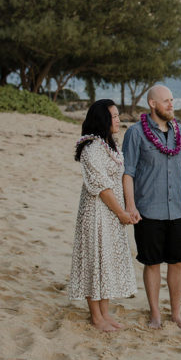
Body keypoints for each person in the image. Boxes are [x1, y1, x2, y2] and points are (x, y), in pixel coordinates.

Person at [122, 85, 181, 330]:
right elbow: (128, 172)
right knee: (151, 263)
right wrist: (130, 206)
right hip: (147, 210)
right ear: (152, 104)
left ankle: (176, 314)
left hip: (176, 209)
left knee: (177, 262)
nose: (171, 105)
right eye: (165, 101)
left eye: (172, 100)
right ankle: (155, 314)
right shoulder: (135, 134)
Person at [70, 99, 139, 332]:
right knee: (94, 260)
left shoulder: (111, 146)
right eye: (114, 116)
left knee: (107, 261)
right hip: (97, 212)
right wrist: (120, 212)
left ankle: (105, 313)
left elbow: (121, 178)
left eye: (119, 116)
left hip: (112, 212)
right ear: (102, 119)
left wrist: (128, 208)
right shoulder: (91, 148)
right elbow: (101, 186)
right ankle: (96, 317)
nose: (118, 120)